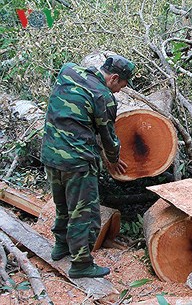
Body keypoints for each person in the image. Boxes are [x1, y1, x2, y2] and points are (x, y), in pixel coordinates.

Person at [41, 55, 134, 278]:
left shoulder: (68, 70)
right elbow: (109, 139)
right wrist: (113, 159)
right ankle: (81, 264)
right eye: (121, 85)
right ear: (113, 78)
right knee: (84, 214)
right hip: (77, 162)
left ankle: (61, 246)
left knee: (62, 205)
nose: (120, 91)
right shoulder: (104, 97)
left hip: (51, 154)